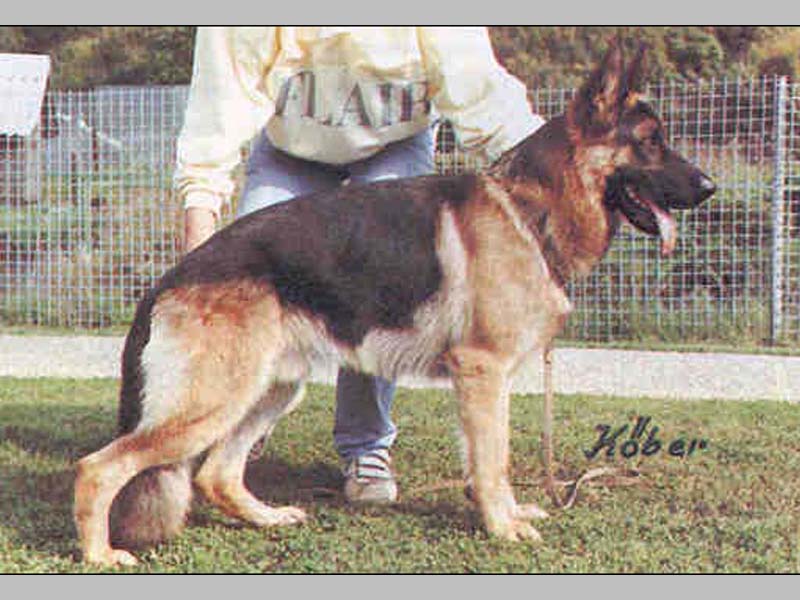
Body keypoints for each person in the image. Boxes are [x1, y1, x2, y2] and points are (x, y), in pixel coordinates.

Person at [175, 26, 545, 505]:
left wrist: (548, 183)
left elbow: (482, 95)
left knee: (386, 279)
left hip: (394, 145)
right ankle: (235, 423)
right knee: (250, 280)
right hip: (291, 150)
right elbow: (217, 104)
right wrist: (199, 234)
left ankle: (366, 447)